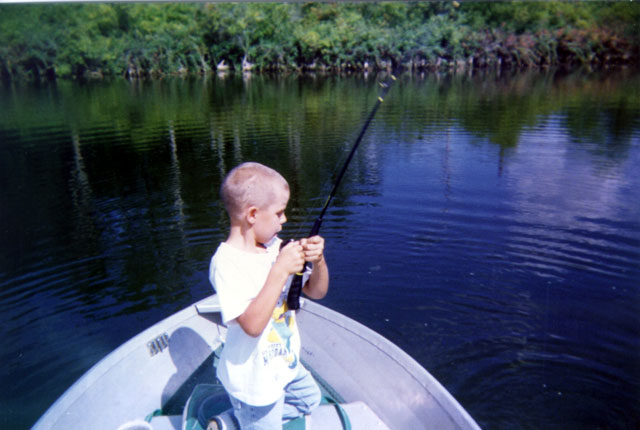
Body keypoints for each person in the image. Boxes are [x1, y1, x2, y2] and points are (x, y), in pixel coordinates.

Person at [209, 162, 329, 430]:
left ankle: (235, 420)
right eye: (279, 213)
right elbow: (252, 326)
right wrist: (280, 269)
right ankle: (235, 420)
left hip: (284, 364)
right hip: (254, 382)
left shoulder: (276, 248)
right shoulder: (227, 262)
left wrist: (318, 260)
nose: (284, 220)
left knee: (310, 399)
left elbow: (317, 291)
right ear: (253, 214)